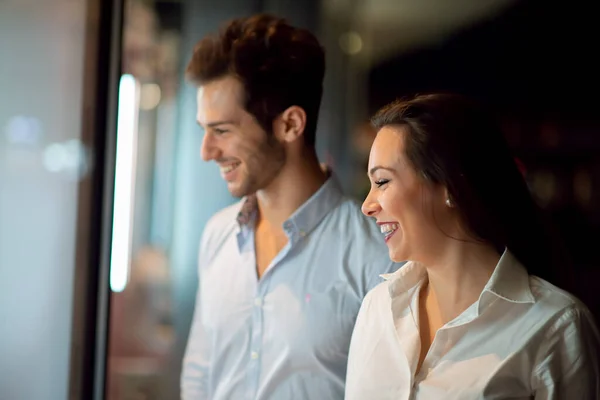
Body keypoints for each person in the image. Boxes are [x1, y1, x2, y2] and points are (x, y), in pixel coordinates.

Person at [180, 14, 401, 400]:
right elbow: (199, 378)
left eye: (222, 131)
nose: (206, 152)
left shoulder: (378, 252)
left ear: (290, 125)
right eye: (204, 130)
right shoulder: (217, 234)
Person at [346, 93, 600, 399]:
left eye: (382, 182)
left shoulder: (555, 327)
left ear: (450, 187)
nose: (367, 205)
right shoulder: (378, 308)